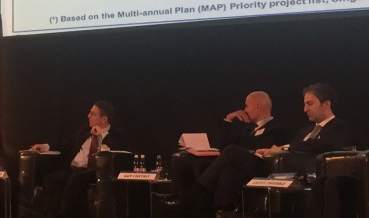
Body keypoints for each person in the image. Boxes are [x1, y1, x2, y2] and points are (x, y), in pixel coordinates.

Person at [158, 83, 351, 218]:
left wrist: (283, 147)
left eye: (310, 104)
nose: (304, 109)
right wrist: (274, 149)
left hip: (288, 171)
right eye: (304, 104)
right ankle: (205, 208)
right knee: (224, 168)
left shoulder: (338, 127)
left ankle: (192, 195)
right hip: (269, 163)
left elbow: (322, 147)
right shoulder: (304, 131)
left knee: (232, 151)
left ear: (326, 104)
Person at [172, 91, 288, 190]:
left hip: (257, 168)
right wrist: (229, 120)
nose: (244, 110)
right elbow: (222, 147)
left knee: (230, 161)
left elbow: (258, 153)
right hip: (236, 165)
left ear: (258, 107)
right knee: (199, 163)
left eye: (247, 106)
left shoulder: (277, 129)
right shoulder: (247, 129)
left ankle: (197, 190)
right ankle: (186, 198)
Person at [30, 100, 124, 218]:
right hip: (74, 169)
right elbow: (66, 144)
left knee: (76, 178)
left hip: (94, 172)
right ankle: (50, 215)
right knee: (51, 179)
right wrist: (45, 146)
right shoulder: (85, 131)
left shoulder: (115, 136)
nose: (88, 116)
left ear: (104, 119)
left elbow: (115, 154)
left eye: (93, 114)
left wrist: (100, 137)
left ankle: (62, 214)